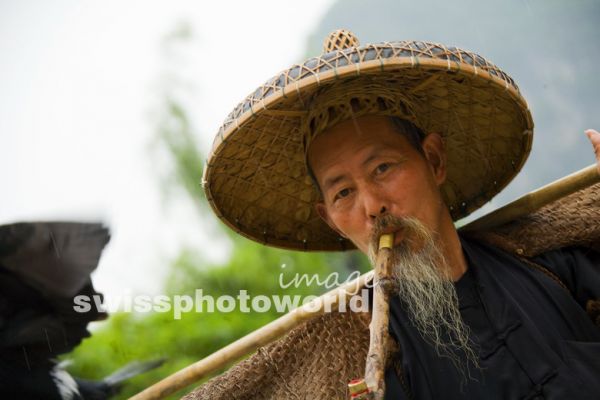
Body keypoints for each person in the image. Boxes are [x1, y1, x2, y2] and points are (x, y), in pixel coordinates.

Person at [188, 30, 600, 399]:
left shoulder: (551, 260)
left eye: (382, 168)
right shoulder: (368, 366)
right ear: (329, 218)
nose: (372, 207)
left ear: (434, 160)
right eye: (344, 192)